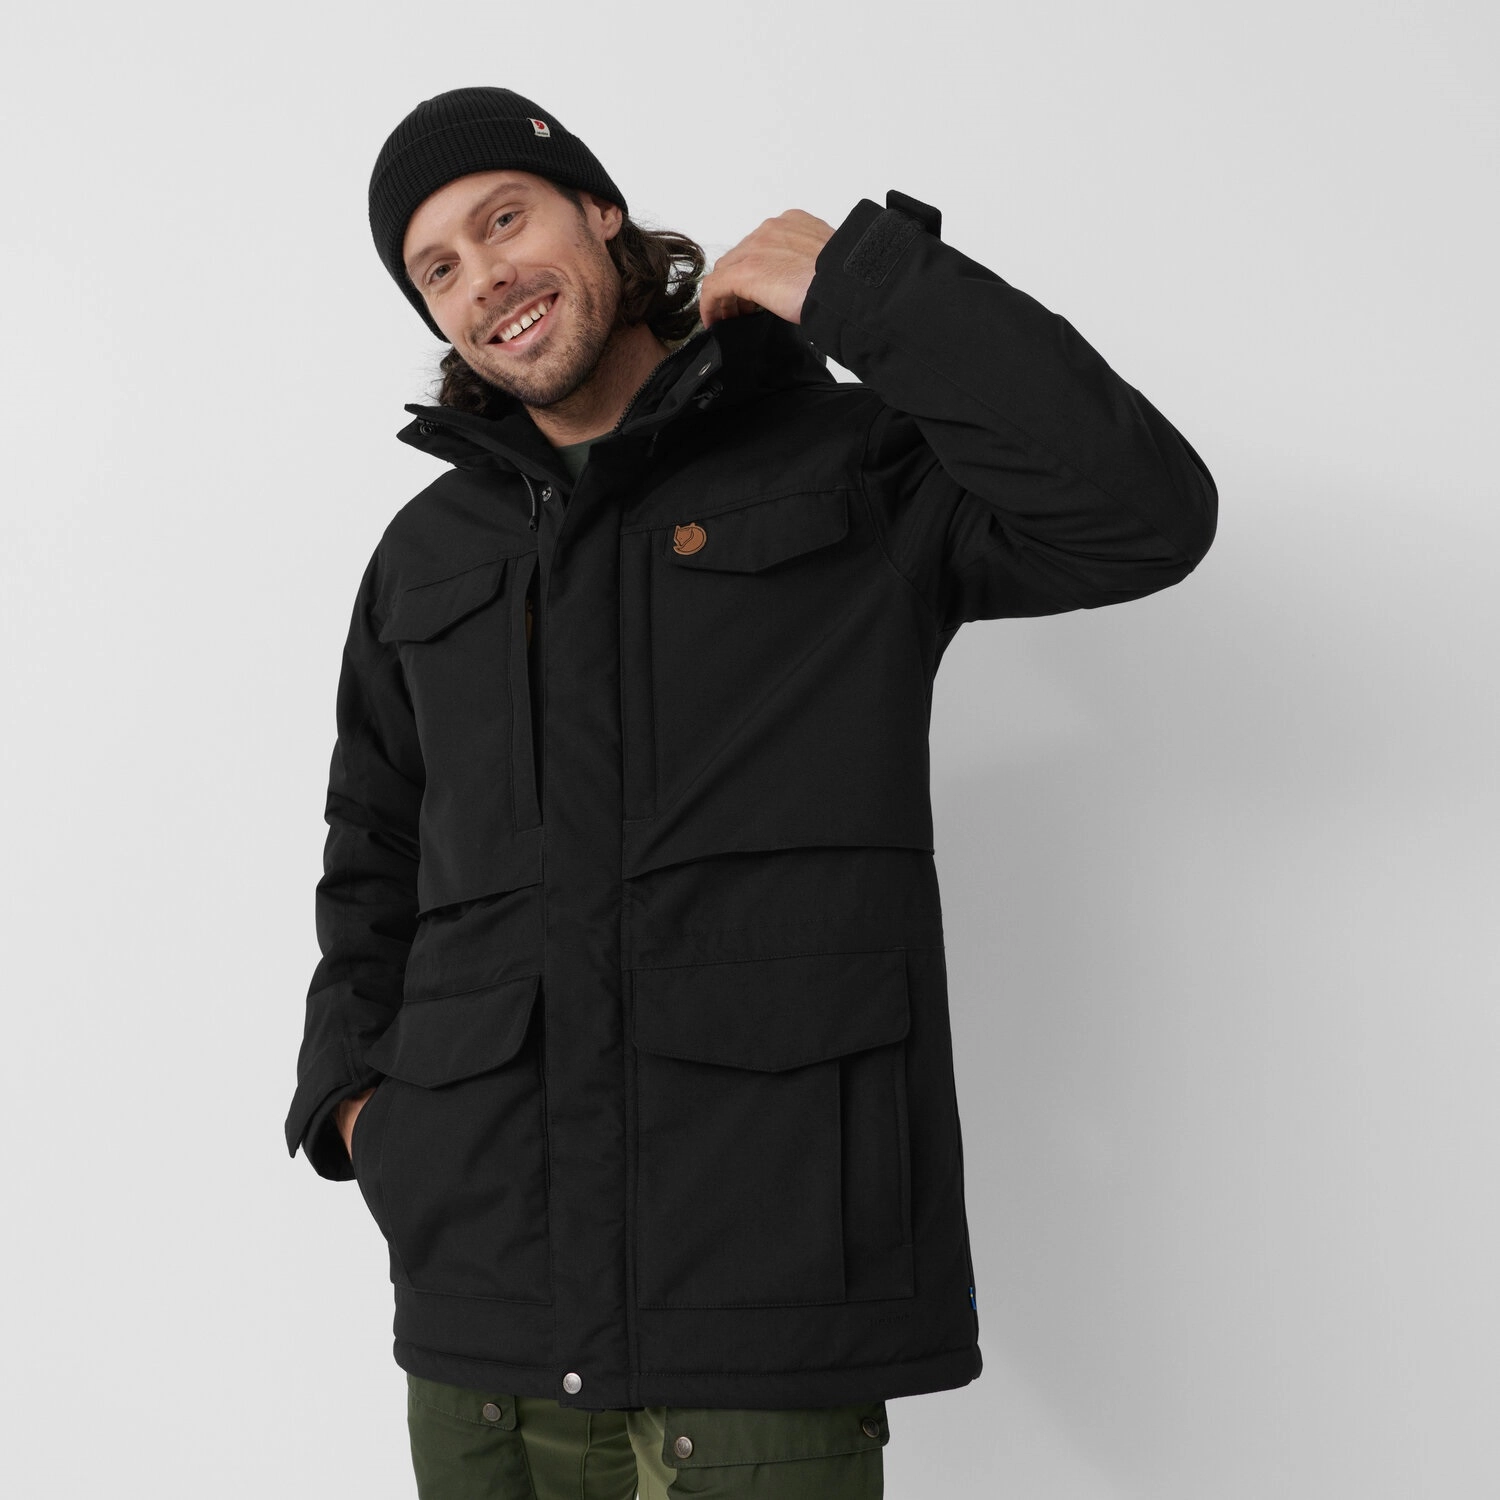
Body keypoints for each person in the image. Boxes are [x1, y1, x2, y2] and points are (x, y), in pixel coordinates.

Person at [283, 84, 1218, 1500]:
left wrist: (867, 288)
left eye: (505, 220)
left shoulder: (846, 460)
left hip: (761, 1297)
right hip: (483, 1315)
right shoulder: (429, 551)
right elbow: (373, 849)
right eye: (440, 269)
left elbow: (1145, 514)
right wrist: (362, 1109)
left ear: (600, 210)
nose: (485, 280)